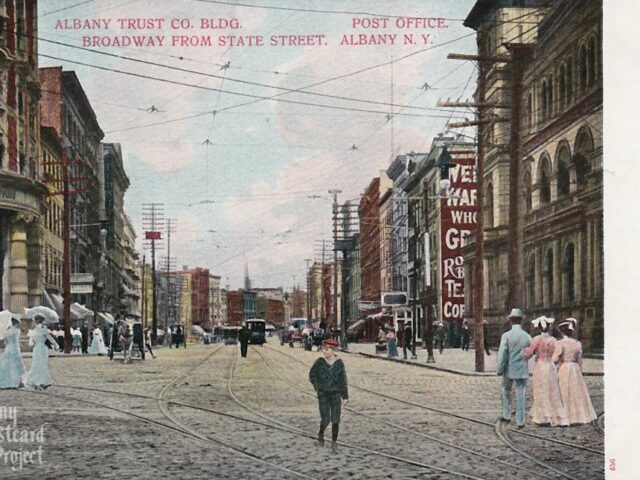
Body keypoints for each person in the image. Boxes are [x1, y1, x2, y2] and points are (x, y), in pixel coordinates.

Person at [522, 316, 568, 427]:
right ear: (549, 327)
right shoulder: (553, 340)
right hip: (551, 365)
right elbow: (558, 354)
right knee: (553, 390)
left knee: (541, 389)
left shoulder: (536, 339)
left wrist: (523, 353)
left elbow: (528, 353)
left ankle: (543, 417)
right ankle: (556, 416)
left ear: (538, 328)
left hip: (541, 365)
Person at [553, 318, 597, 425]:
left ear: (562, 331)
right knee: (576, 392)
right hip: (575, 368)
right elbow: (579, 360)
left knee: (564, 391)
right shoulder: (578, 343)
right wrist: (579, 372)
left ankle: (564, 417)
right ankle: (577, 416)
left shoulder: (560, 343)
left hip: (564, 367)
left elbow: (555, 359)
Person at [309, 339, 348, 454]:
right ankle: (321, 433)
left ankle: (334, 442)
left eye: (327, 349)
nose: (324, 352)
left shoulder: (339, 363)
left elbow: (343, 380)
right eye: (324, 349)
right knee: (325, 418)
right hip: (323, 394)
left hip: (336, 394)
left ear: (334, 351)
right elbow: (312, 375)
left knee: (335, 419)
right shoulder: (319, 362)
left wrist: (345, 396)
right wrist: (317, 386)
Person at [497, 308, 532, 429]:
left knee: (506, 390)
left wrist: (499, 369)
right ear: (521, 321)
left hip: (508, 368)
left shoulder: (506, 336)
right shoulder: (527, 336)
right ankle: (520, 421)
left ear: (510, 320)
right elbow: (530, 352)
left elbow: (503, 354)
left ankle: (506, 415)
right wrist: (524, 359)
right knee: (520, 393)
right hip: (522, 368)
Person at [24, 316, 59, 390]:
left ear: (36, 322)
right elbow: (50, 338)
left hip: (36, 349)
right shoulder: (44, 330)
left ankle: (35, 380)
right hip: (43, 349)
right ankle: (43, 381)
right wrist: (56, 345)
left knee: (36, 364)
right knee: (43, 364)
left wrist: (34, 339)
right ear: (41, 321)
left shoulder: (33, 331)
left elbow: (31, 344)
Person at [0, 316, 26, 389]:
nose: (19, 324)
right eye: (18, 322)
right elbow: (16, 341)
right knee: (17, 364)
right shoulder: (17, 331)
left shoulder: (7, 331)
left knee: (7, 365)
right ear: (15, 323)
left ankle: (7, 381)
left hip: (8, 348)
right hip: (15, 348)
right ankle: (18, 382)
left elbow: (5, 342)